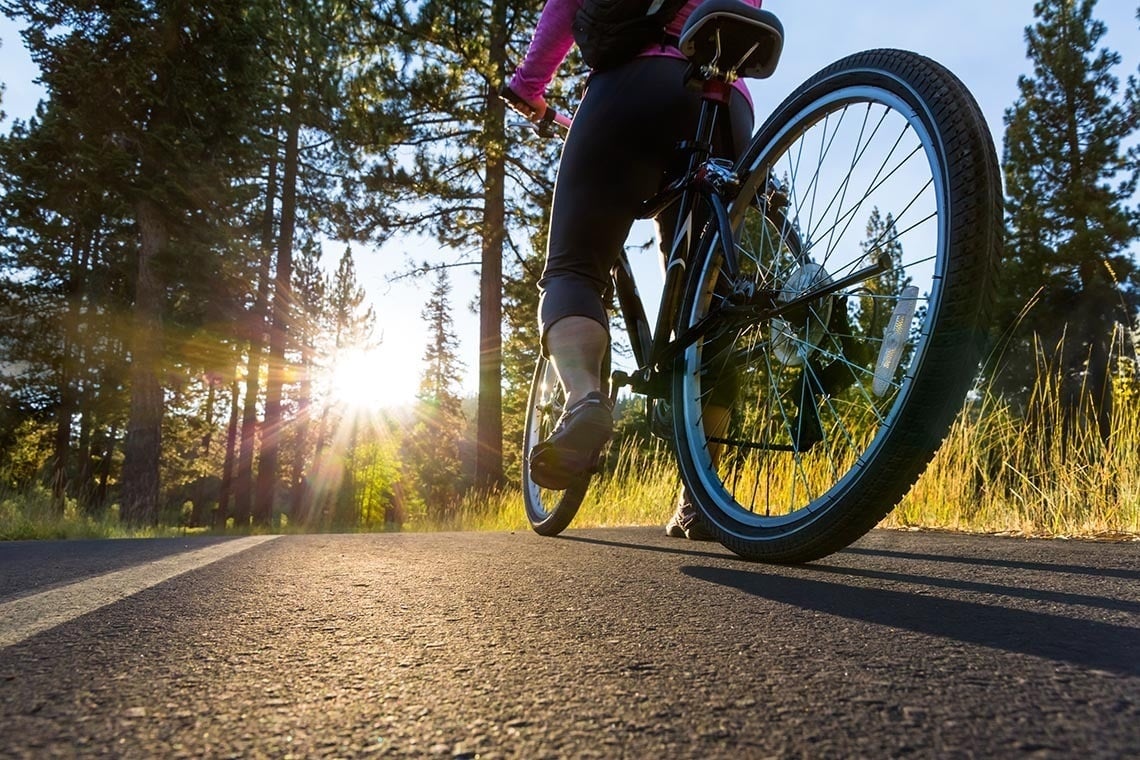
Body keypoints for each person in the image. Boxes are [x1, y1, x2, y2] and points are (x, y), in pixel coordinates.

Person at [506, 0, 762, 540]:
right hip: (728, 106)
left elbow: (564, 9)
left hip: (636, 83)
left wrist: (530, 88)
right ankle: (702, 496)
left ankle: (584, 402)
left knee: (574, 268)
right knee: (709, 298)